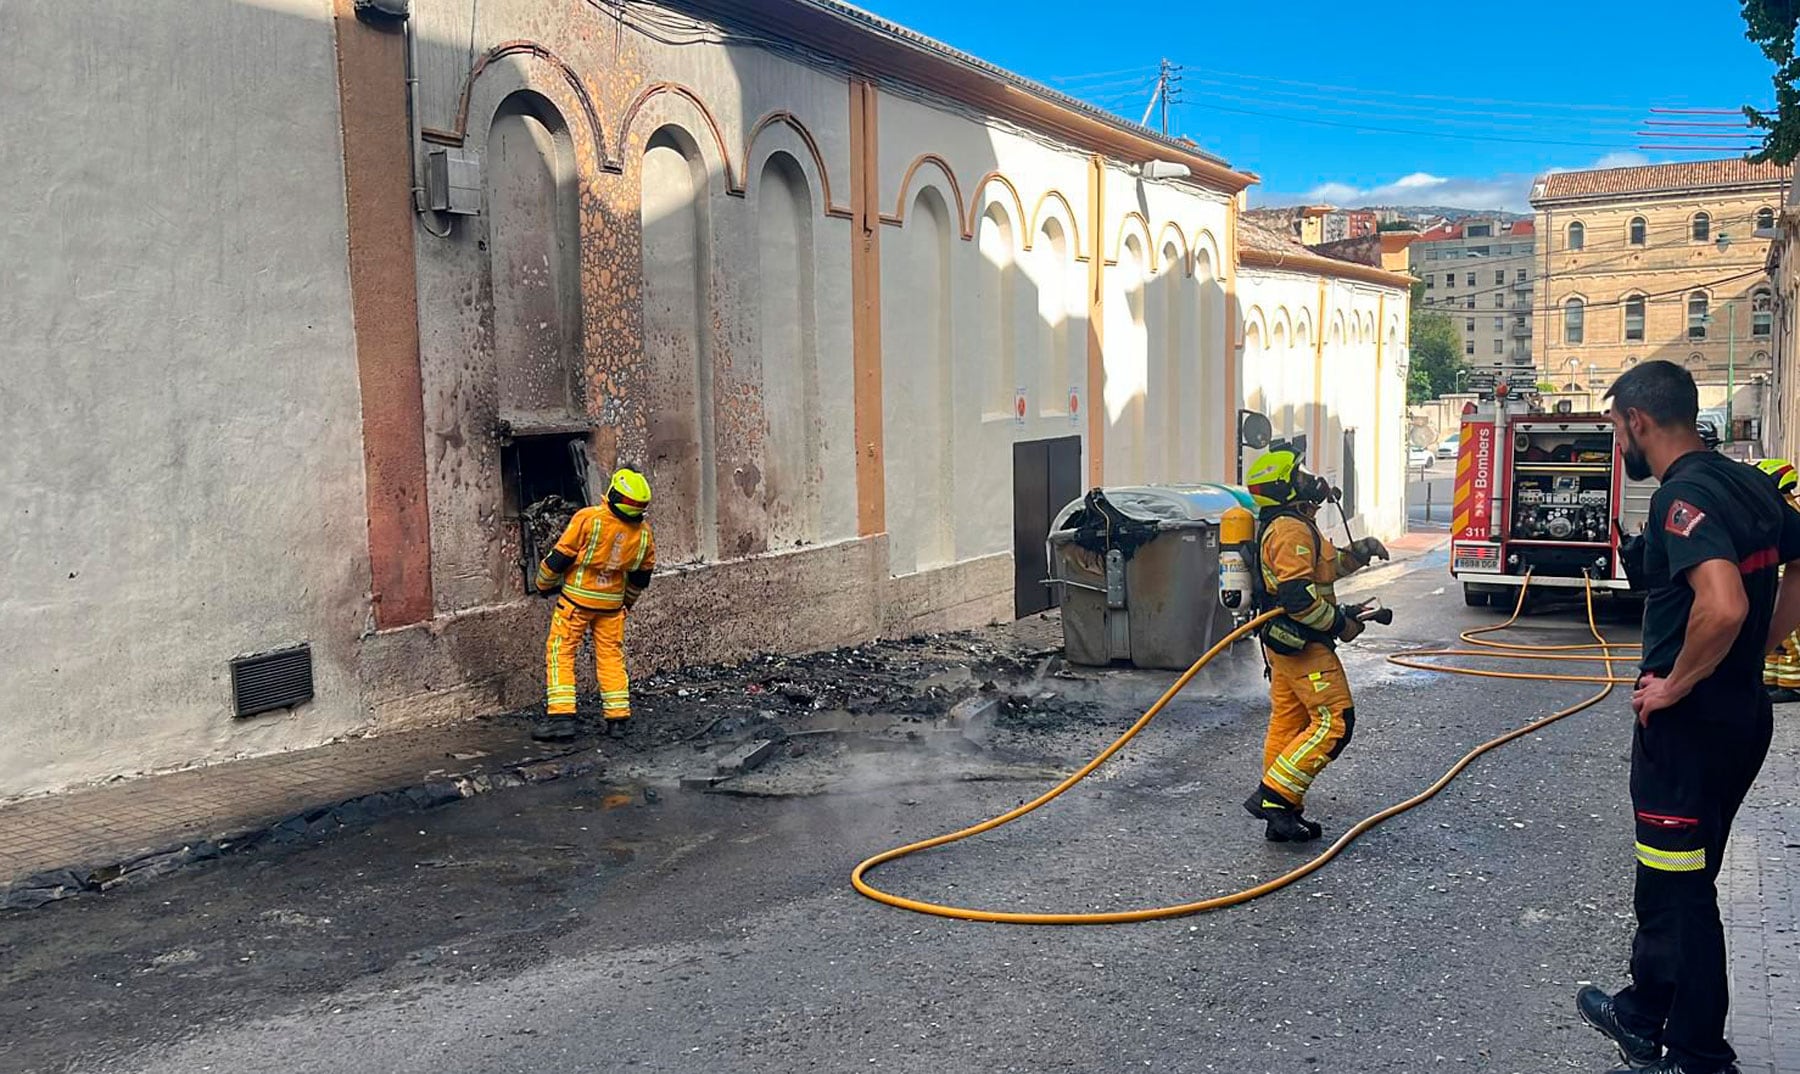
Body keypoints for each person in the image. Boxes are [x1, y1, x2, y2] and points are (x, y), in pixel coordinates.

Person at [1577, 360, 1800, 1074]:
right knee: (1676, 878)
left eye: (1616, 428)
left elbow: (1724, 602)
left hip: (1689, 730)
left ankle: (1700, 1054)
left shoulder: (1683, 498)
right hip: (1740, 717)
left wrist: (1675, 683)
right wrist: (1754, 648)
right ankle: (1643, 1012)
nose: (1618, 443)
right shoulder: (1747, 480)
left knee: (1681, 890)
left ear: (1638, 421)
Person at [1241, 443, 1389, 843]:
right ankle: (1275, 798)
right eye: (1302, 476)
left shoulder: (1291, 524)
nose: (1313, 481)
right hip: (1303, 644)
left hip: (1286, 645)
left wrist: (1359, 554)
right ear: (1287, 487)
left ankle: (1282, 816)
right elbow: (1298, 598)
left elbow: (1321, 572)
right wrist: (1339, 623)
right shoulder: (1289, 529)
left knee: (1289, 723)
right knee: (1335, 723)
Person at [531, 468, 657, 742]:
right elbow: (640, 579)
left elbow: (560, 557)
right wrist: (626, 605)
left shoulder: (589, 519)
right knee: (611, 657)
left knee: (560, 652)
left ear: (612, 494)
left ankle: (561, 719)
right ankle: (618, 719)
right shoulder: (644, 534)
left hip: (576, 602)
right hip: (612, 606)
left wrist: (542, 583)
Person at [1754, 458, 1800, 704]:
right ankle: (1770, 680)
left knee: (1790, 638)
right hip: (1776, 582)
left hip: (1789, 584)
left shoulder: (1787, 510)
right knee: (1775, 637)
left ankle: (1792, 684)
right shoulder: (1775, 507)